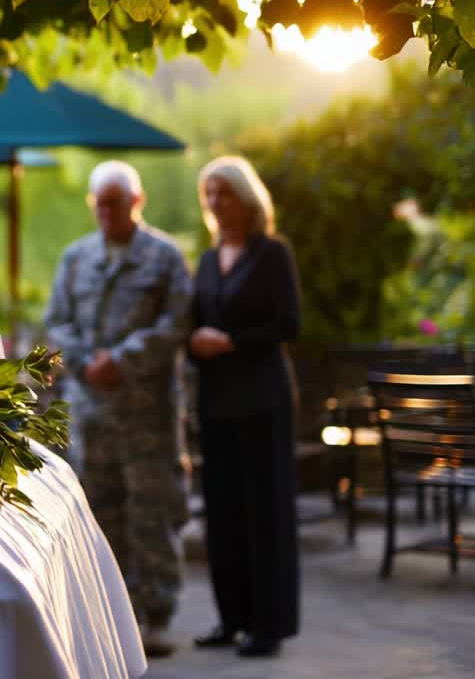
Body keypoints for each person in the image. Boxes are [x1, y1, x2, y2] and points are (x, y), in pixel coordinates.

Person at [43, 160, 192, 658]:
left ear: (137, 201)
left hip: (146, 414)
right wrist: (87, 363)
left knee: (153, 510)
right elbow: (58, 323)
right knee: (99, 511)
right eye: (100, 203)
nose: (107, 211)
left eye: (117, 202)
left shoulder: (165, 256)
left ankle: (156, 614)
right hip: (91, 411)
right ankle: (107, 613)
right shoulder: (76, 258)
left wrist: (122, 360)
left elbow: (176, 324)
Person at [188, 155, 301, 658]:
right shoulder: (209, 261)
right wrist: (195, 340)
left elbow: (289, 324)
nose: (216, 202)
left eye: (224, 192)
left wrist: (230, 341)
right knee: (224, 514)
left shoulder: (273, 254)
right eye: (209, 193)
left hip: (262, 400)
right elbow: (195, 321)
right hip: (216, 404)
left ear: (246, 198)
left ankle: (268, 625)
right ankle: (231, 618)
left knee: (265, 513)